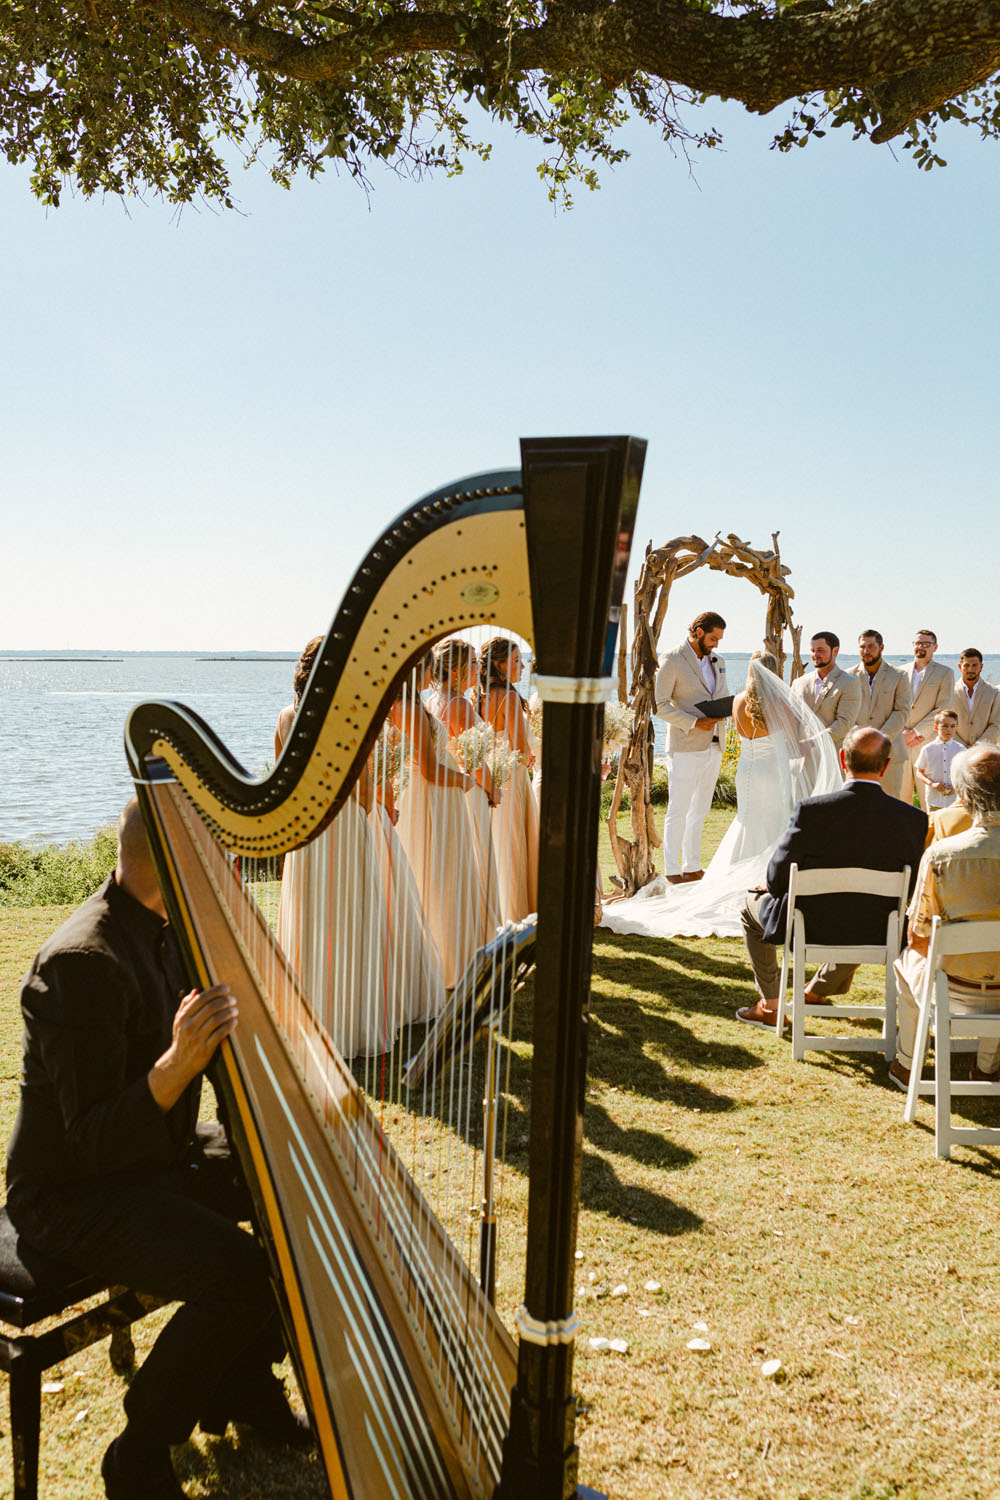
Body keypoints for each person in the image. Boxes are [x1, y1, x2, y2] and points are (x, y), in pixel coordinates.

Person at [4, 800, 306, 1500]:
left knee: (282, 1178)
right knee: (238, 1274)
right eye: (210, 855)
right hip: (70, 1191)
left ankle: (242, 1383)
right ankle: (138, 1451)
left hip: (150, 1155)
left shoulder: (169, 928)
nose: (223, 868)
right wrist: (174, 1066)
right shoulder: (80, 962)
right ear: (173, 864)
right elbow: (95, 1142)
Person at [601, 650, 841, 940]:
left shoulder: (739, 701)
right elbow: (793, 748)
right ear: (774, 671)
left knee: (747, 822)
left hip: (747, 771)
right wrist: (815, 746)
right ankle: (770, 887)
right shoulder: (780, 703)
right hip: (772, 776)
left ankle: (740, 882)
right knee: (774, 825)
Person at [735, 727, 927, 1029]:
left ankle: (772, 1007)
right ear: (886, 765)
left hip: (809, 925)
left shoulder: (812, 811)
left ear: (842, 759)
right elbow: (914, 888)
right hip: (878, 930)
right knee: (865, 911)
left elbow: (776, 879)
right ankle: (817, 991)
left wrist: (770, 886)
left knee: (749, 906)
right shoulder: (914, 819)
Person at [275, 638, 395, 1058]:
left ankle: (310, 1020)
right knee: (350, 919)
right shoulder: (350, 715)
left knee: (313, 922)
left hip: (306, 835)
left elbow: (281, 786)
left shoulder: (287, 718)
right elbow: (363, 791)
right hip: (343, 826)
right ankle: (352, 1020)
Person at [890, 746, 1000, 1090]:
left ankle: (908, 1064)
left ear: (964, 795)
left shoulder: (943, 856)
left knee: (907, 962)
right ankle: (987, 1066)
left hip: (952, 990)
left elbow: (918, 938)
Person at [654, 610, 729, 883]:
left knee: (701, 809)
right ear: (698, 632)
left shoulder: (718, 661)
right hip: (685, 744)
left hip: (715, 744)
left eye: (719, 639)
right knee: (679, 809)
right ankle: (673, 870)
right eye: (712, 638)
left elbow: (720, 694)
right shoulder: (672, 660)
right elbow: (659, 706)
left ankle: (692, 866)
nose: (716, 644)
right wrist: (695, 723)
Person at [478, 636, 539, 922]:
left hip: (490, 776)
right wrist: (529, 755)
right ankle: (519, 914)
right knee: (514, 846)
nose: (523, 667)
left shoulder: (477, 698)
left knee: (497, 846)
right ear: (499, 664)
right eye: (516, 661)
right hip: (512, 779)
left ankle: (499, 913)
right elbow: (519, 748)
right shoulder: (510, 697)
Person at [849, 630, 912, 801]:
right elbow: (845, 712)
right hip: (855, 753)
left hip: (890, 753)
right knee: (856, 806)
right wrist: (860, 739)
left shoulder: (899, 676)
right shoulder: (848, 676)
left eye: (871, 646)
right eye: (862, 647)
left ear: (881, 647)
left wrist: (880, 740)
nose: (866, 651)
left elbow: (902, 711)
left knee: (890, 806)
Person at [901, 629, 955, 807]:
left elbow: (943, 707)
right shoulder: (900, 672)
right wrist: (902, 732)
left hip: (926, 742)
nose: (920, 647)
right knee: (900, 798)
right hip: (900, 742)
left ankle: (932, 834)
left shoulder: (945, 673)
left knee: (928, 799)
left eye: (926, 644)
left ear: (935, 647)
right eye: (917, 643)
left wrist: (915, 732)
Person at [790, 630, 862, 755]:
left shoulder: (850, 683)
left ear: (835, 651)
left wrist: (812, 743)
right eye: (813, 650)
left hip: (831, 756)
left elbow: (844, 722)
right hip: (801, 760)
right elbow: (790, 716)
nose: (815, 654)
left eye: (820, 650)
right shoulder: (798, 683)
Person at [951, 648, 1000, 748]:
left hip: (985, 751)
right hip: (955, 750)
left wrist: (978, 746)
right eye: (966, 665)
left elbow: (996, 724)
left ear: (981, 667)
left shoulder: (994, 692)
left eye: (974, 665)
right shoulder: (949, 692)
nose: (970, 669)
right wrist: (961, 746)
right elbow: (945, 721)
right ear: (960, 667)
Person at [914, 709, 961, 810]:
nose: (949, 729)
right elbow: (919, 772)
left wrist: (957, 786)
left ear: (956, 728)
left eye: (953, 726)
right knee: (933, 825)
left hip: (955, 801)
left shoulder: (961, 749)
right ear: (936, 727)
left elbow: (966, 774)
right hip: (933, 800)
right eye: (945, 726)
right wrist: (932, 784)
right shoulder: (927, 749)